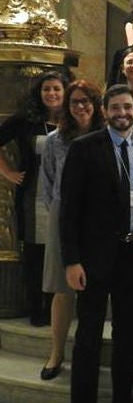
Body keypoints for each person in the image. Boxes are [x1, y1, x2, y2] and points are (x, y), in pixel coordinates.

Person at [62, 84, 133, 403]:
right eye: (115, 107)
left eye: (127, 106)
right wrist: (71, 260)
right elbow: (69, 210)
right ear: (105, 110)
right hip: (93, 260)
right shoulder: (84, 149)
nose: (122, 112)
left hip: (132, 256)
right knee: (87, 341)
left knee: (127, 337)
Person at [39, 80, 104, 382]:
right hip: (63, 218)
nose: (81, 107)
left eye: (86, 101)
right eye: (75, 102)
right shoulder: (55, 140)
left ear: (96, 105)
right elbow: (49, 182)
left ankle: (91, 352)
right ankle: (56, 352)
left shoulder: (106, 137)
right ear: (67, 105)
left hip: (97, 220)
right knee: (62, 291)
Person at [0, 70, 69, 326]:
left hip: (68, 196)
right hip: (34, 196)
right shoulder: (26, 121)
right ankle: (37, 309)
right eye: (46, 89)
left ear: (65, 92)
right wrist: (8, 171)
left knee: (62, 252)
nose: (51, 94)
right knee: (35, 255)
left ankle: (58, 307)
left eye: (56, 89)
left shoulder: (74, 118)